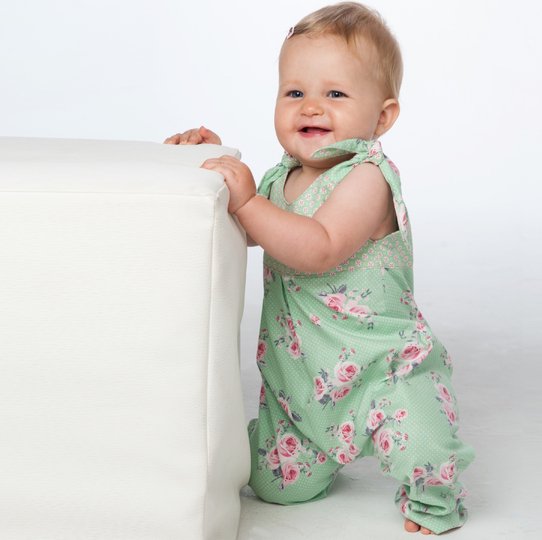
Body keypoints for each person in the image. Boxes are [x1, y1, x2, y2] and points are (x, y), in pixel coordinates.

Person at [164, 2, 474, 534]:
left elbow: (319, 247)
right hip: (301, 385)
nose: (311, 106)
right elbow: (248, 231)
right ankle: (273, 445)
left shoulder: (368, 179)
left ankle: (434, 500)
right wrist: (211, 172)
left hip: (380, 369)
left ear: (382, 117)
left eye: (335, 94)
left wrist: (246, 201)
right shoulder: (278, 179)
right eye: (294, 92)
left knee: (422, 444)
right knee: (274, 486)